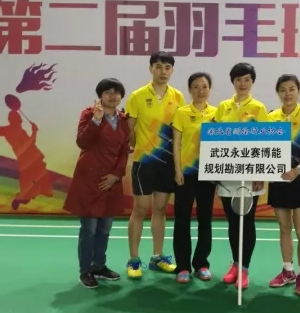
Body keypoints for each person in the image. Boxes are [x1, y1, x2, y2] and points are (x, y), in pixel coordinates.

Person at [63, 78, 130, 289]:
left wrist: (116, 175)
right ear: (100, 96)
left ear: (121, 96)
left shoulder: (124, 120)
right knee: (89, 229)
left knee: (105, 229)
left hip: (111, 181)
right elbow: (82, 142)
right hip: (90, 180)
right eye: (107, 92)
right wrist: (96, 121)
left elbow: (124, 152)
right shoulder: (89, 114)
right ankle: (85, 271)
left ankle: (99, 266)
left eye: (116, 92)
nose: (112, 96)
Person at [124, 51, 186, 279]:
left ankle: (157, 257)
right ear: (151, 68)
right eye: (158, 66)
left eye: (168, 67)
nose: (163, 71)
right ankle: (133, 259)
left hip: (167, 163)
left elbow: (180, 130)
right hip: (144, 162)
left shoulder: (178, 97)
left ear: (172, 71)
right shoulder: (137, 96)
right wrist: (140, 147)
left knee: (160, 209)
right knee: (140, 209)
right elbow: (130, 129)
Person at [213, 62, 269, 289]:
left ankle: (244, 269)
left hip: (250, 175)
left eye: (246, 79)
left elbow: (265, 143)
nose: (242, 83)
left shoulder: (259, 108)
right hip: (227, 174)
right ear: (233, 82)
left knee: (247, 221)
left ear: (252, 81)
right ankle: (235, 264)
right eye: (238, 80)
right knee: (233, 221)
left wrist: (260, 173)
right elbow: (215, 140)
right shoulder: (222, 107)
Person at [266, 74, 300, 296]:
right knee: (284, 227)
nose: (287, 94)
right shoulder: (271, 117)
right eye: (283, 90)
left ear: (298, 91)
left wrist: (297, 170)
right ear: (278, 92)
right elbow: (266, 149)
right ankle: (288, 271)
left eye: (291, 89)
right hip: (278, 179)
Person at [171, 72, 217, 283]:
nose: (201, 91)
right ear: (189, 90)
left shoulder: (217, 114)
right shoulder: (181, 113)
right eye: (196, 87)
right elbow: (176, 143)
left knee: (205, 220)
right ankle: (182, 266)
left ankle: (201, 264)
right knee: (182, 220)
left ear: (210, 89)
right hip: (186, 174)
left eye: (204, 86)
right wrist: (177, 170)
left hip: (208, 174)